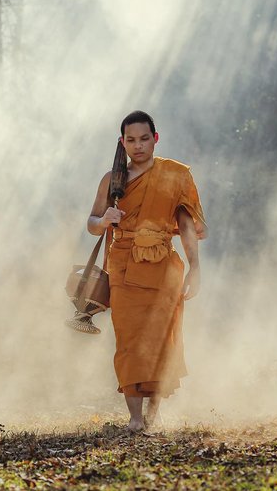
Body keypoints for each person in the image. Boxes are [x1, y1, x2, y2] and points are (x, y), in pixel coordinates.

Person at [87, 110, 207, 432]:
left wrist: (194, 267)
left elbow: (184, 225)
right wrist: (104, 220)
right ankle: (135, 418)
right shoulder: (113, 180)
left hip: (163, 268)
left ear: (155, 139)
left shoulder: (176, 175)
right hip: (124, 267)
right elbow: (92, 223)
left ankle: (153, 414)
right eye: (130, 140)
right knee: (128, 342)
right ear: (122, 142)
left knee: (161, 341)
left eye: (144, 139)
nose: (138, 146)